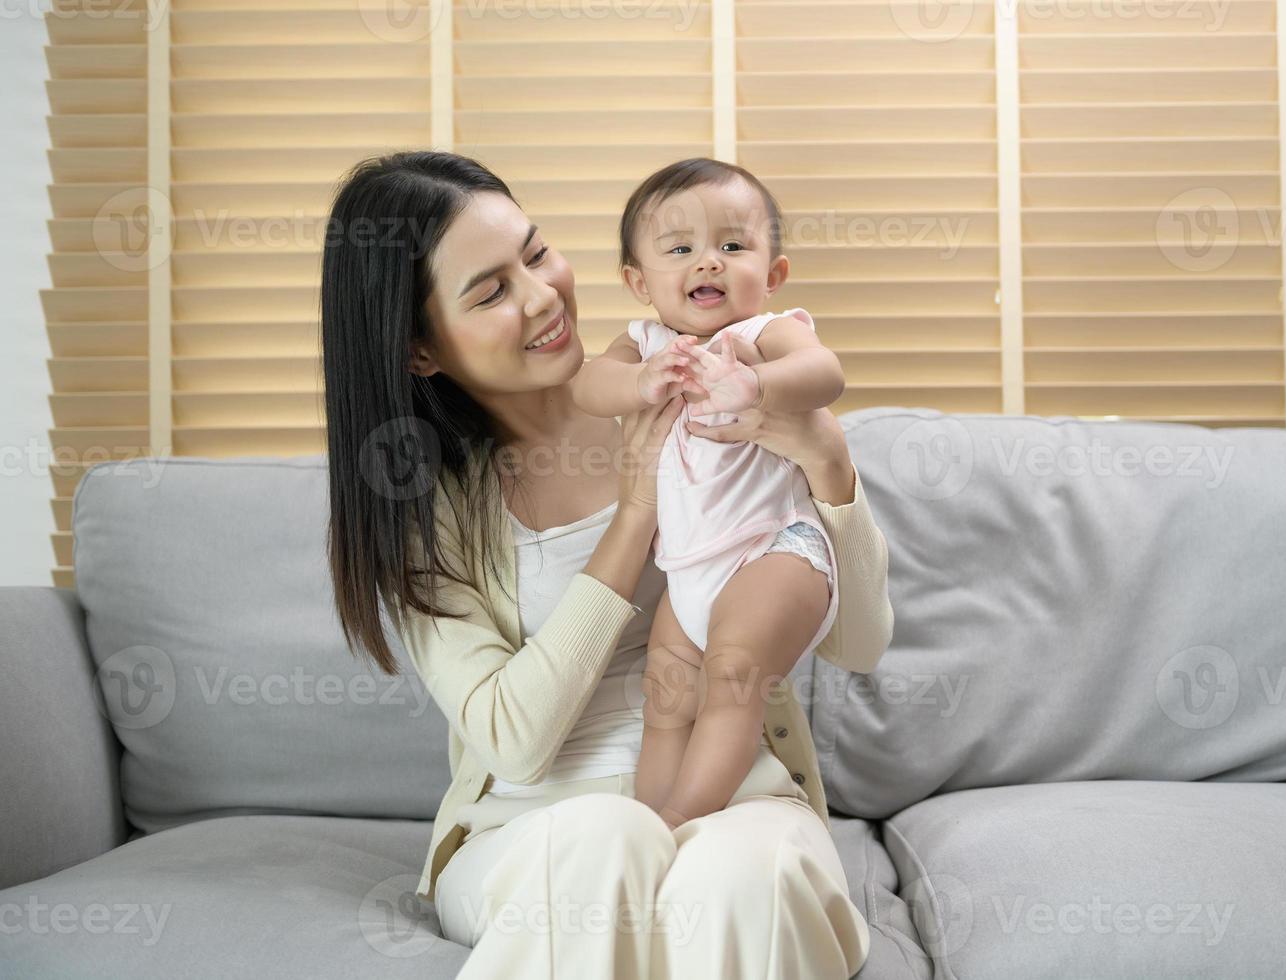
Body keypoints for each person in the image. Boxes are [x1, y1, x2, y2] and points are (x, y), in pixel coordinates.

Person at [321, 150, 893, 979]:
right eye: (490, 290)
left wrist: (830, 470)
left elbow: (859, 647)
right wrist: (633, 518)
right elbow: (510, 744)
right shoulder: (422, 509)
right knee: (606, 838)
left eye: (535, 252)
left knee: (747, 876)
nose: (542, 294)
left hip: (738, 798)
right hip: (531, 828)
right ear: (418, 350)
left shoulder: (720, 405)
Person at [571, 158, 848, 832]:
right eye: (680, 249)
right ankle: (646, 828)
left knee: (731, 678)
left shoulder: (759, 335)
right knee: (665, 700)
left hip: (774, 551)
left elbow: (823, 372)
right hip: (688, 572)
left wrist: (758, 385)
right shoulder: (642, 345)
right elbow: (585, 386)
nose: (709, 263)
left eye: (732, 246)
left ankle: (683, 820)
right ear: (639, 282)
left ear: (772, 274)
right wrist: (639, 383)